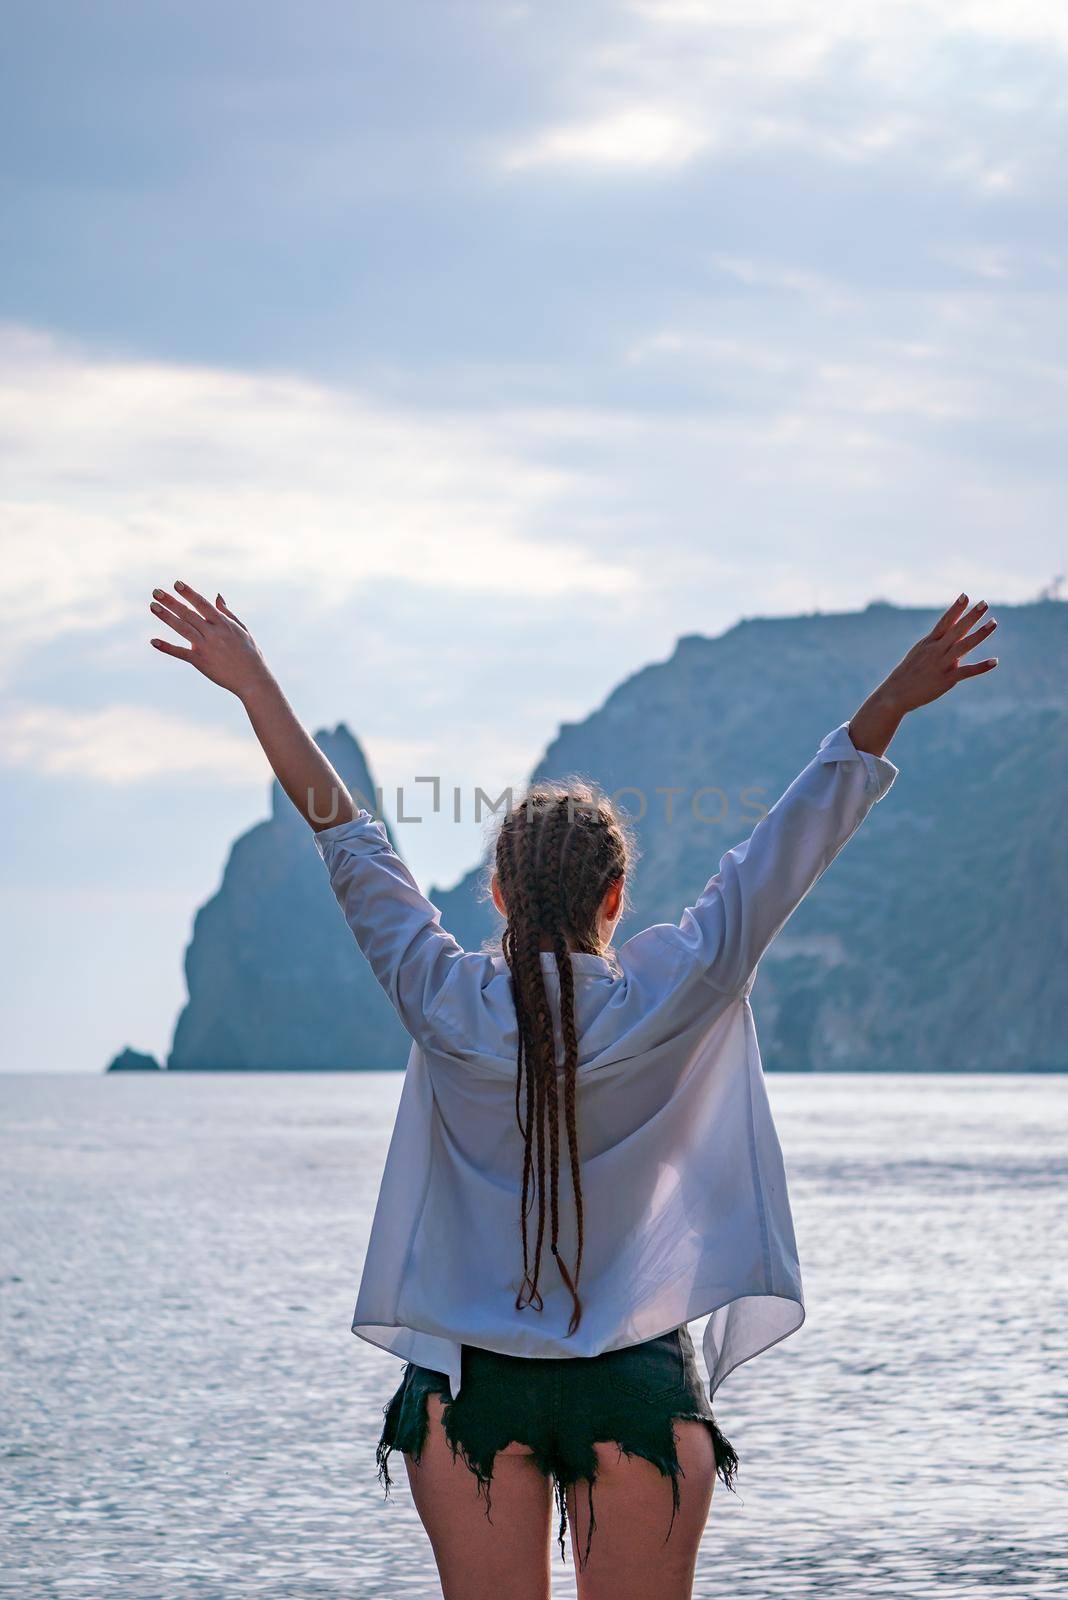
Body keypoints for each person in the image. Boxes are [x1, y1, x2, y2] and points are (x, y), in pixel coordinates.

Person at [149, 582, 998, 1600]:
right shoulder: (678, 988)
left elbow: (348, 837)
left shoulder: (443, 997)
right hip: (636, 1383)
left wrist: (256, 686)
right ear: (616, 896)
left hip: (467, 1393)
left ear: (497, 894)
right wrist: (890, 702)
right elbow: (786, 846)